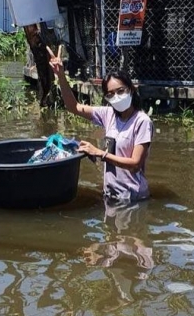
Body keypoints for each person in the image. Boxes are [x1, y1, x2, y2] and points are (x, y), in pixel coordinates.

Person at [49, 46, 153, 204]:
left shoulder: (142, 121)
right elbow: (73, 107)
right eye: (110, 94)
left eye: (120, 91)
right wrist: (61, 76)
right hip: (111, 193)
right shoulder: (109, 114)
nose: (116, 97)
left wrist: (99, 153)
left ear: (131, 89)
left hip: (131, 197)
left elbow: (135, 164)